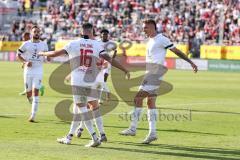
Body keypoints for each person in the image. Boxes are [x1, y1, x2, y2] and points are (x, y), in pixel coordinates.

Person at [38, 23, 130, 147]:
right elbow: (109, 59)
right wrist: (125, 69)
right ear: (92, 32)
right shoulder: (97, 45)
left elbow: (55, 53)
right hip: (92, 81)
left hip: (78, 82)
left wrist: (43, 54)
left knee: (82, 109)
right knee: (93, 107)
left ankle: (95, 138)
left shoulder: (73, 43)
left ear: (81, 32)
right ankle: (71, 136)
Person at [119, 19, 198, 144]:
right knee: (150, 103)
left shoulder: (162, 39)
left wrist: (191, 62)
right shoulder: (150, 40)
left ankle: (133, 128)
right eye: (143, 27)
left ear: (152, 27)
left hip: (155, 74)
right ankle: (152, 133)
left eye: (145, 27)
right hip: (151, 73)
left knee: (138, 98)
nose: (144, 29)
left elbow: (176, 51)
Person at [17, 26, 49, 122]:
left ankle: (33, 116)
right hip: (28, 71)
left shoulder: (44, 45)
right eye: (35, 32)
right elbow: (18, 54)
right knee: (28, 94)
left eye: (38, 32)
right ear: (31, 33)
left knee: (36, 93)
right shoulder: (26, 44)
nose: (37, 33)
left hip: (38, 70)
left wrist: (48, 58)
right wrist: (25, 62)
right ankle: (31, 101)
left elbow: (47, 56)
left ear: (40, 33)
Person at [19, 32, 45, 96]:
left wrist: (24, 62)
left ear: (28, 36)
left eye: (24, 36)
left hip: (33, 63)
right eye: (23, 36)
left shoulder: (31, 43)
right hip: (27, 62)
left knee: (30, 77)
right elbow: (23, 54)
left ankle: (39, 87)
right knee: (27, 77)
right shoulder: (25, 43)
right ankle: (28, 89)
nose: (23, 37)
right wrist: (24, 62)